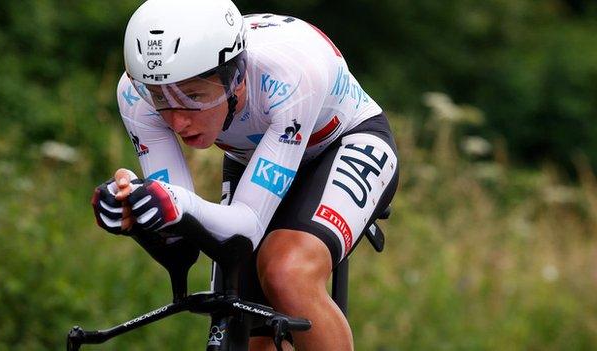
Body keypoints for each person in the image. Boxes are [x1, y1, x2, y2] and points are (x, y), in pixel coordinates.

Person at [91, 0, 399, 350]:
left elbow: (246, 224)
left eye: (193, 96)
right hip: (255, 154)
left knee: (287, 272)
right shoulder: (135, 94)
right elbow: (183, 232)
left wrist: (171, 204)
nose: (177, 121)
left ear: (236, 79)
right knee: (241, 319)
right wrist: (136, 208)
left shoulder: (290, 73)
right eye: (160, 98)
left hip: (343, 141)